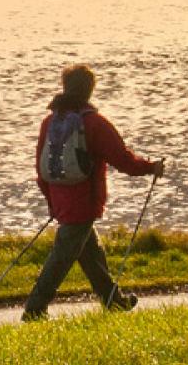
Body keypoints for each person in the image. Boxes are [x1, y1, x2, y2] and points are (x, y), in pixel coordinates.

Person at [22, 65, 161, 321]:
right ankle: (34, 308)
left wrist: (51, 201)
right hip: (84, 200)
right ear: (90, 89)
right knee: (61, 258)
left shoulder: (50, 122)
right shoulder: (93, 123)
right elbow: (123, 160)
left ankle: (114, 301)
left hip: (60, 197)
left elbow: (41, 168)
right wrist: (151, 167)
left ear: (65, 87)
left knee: (90, 253)